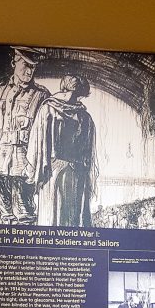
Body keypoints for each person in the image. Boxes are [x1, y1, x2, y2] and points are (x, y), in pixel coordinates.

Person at [0, 46, 49, 225]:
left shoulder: (41, 95)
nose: (30, 71)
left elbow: (46, 133)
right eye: (26, 65)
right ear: (13, 62)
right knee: (4, 215)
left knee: (25, 215)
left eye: (33, 67)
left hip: (24, 164)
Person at [26, 75, 97, 227]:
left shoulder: (84, 116)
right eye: (76, 94)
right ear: (67, 91)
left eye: (79, 96)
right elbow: (36, 143)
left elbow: (87, 151)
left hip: (70, 172)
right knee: (57, 216)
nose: (77, 99)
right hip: (54, 172)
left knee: (68, 217)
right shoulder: (48, 109)